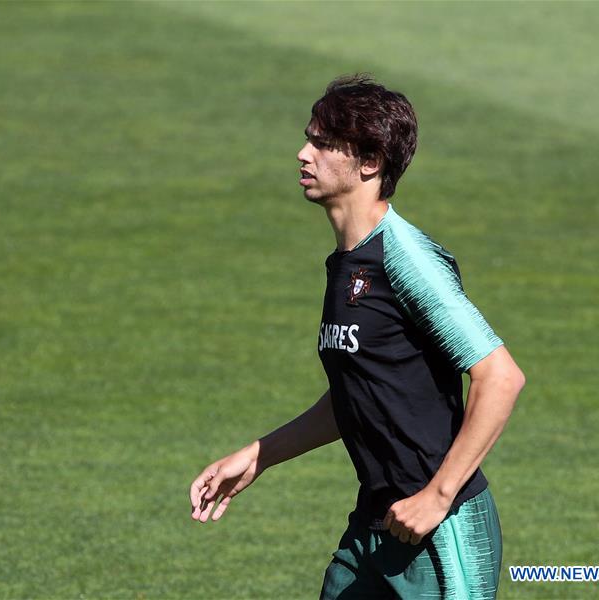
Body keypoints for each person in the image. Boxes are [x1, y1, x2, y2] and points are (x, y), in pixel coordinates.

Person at [188, 74, 525, 599]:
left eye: (323, 144)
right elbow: (357, 394)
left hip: (440, 534)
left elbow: (500, 377)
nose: (303, 154)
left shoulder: (407, 261)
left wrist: (436, 497)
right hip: (375, 523)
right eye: (309, 138)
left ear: (370, 163)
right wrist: (258, 456)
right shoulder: (348, 263)